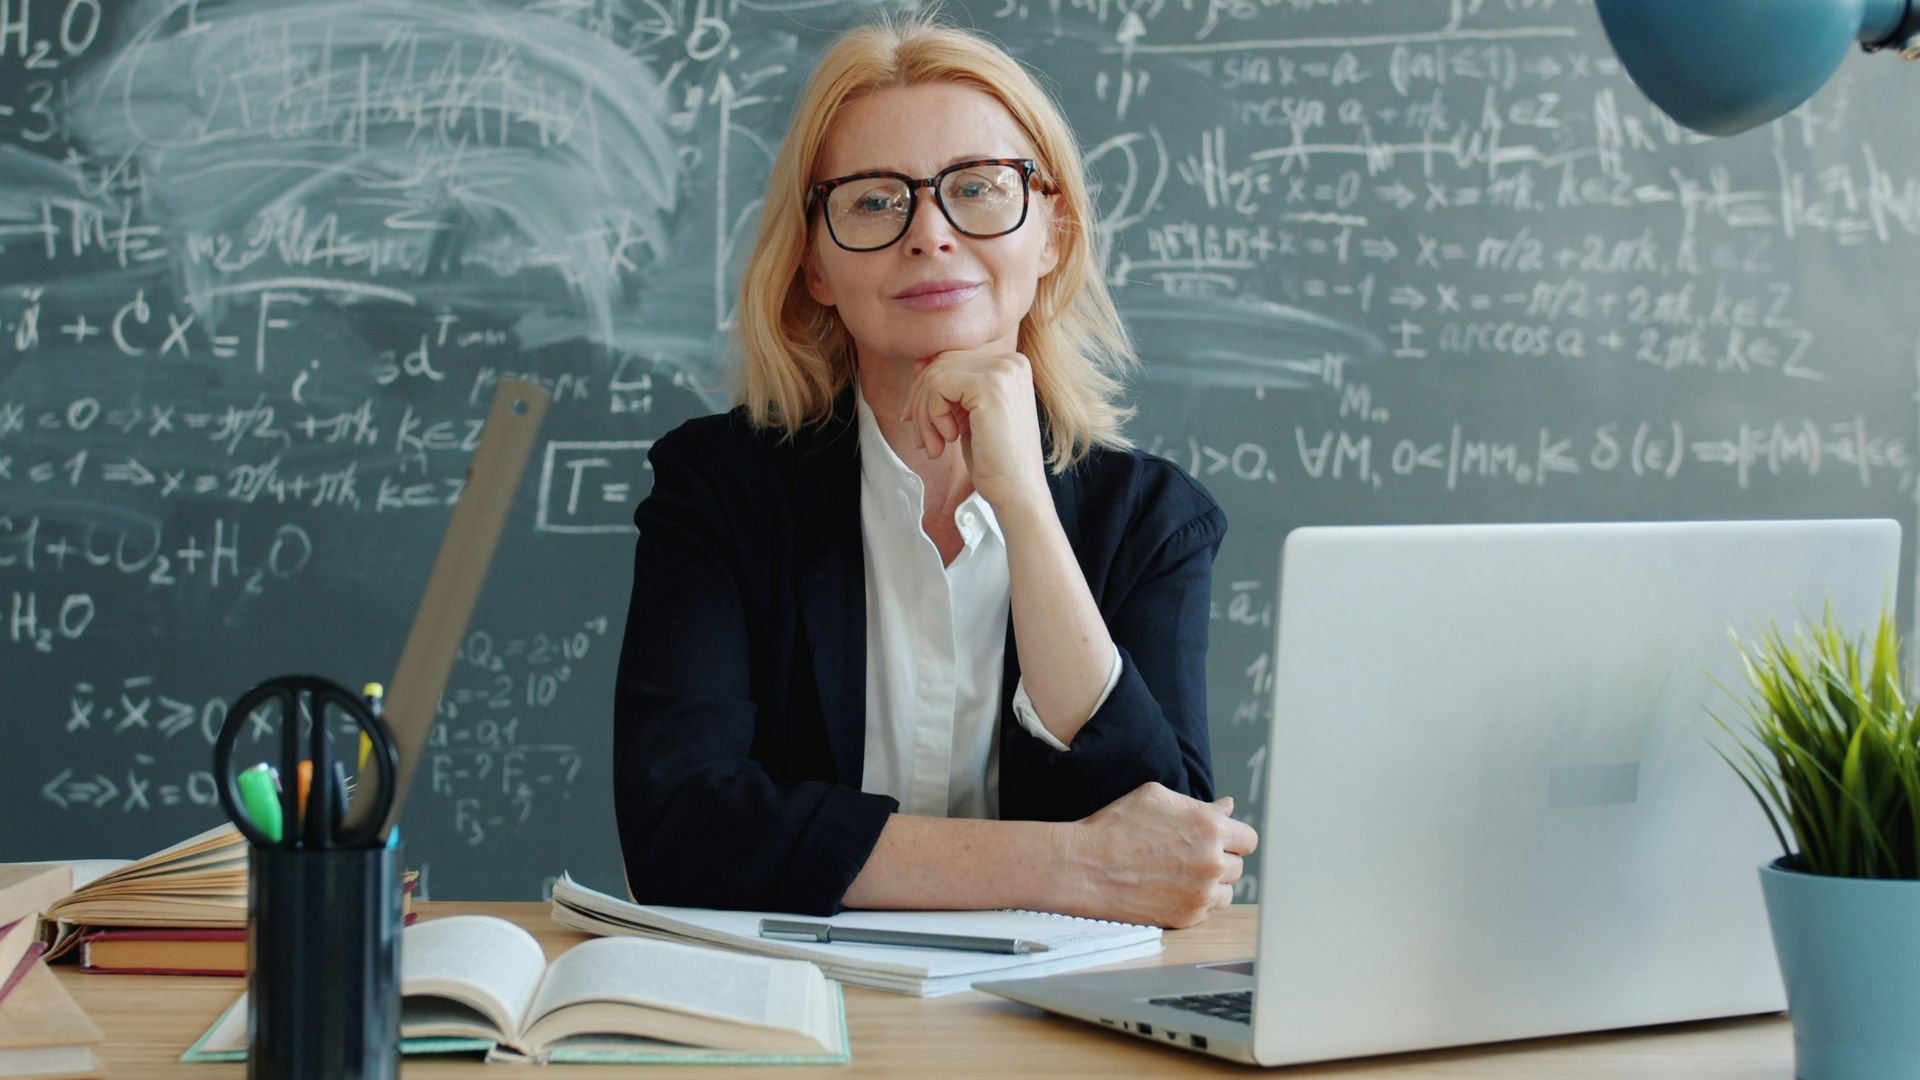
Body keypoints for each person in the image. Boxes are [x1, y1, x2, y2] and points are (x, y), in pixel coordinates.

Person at [612, 15, 1257, 928]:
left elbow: (1168, 848)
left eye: (979, 189)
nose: (930, 235)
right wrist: (1067, 863)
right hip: (790, 1014)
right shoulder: (720, 489)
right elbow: (680, 830)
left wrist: (1024, 509)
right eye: (874, 201)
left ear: (1053, 237)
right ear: (815, 265)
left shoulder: (1149, 517)